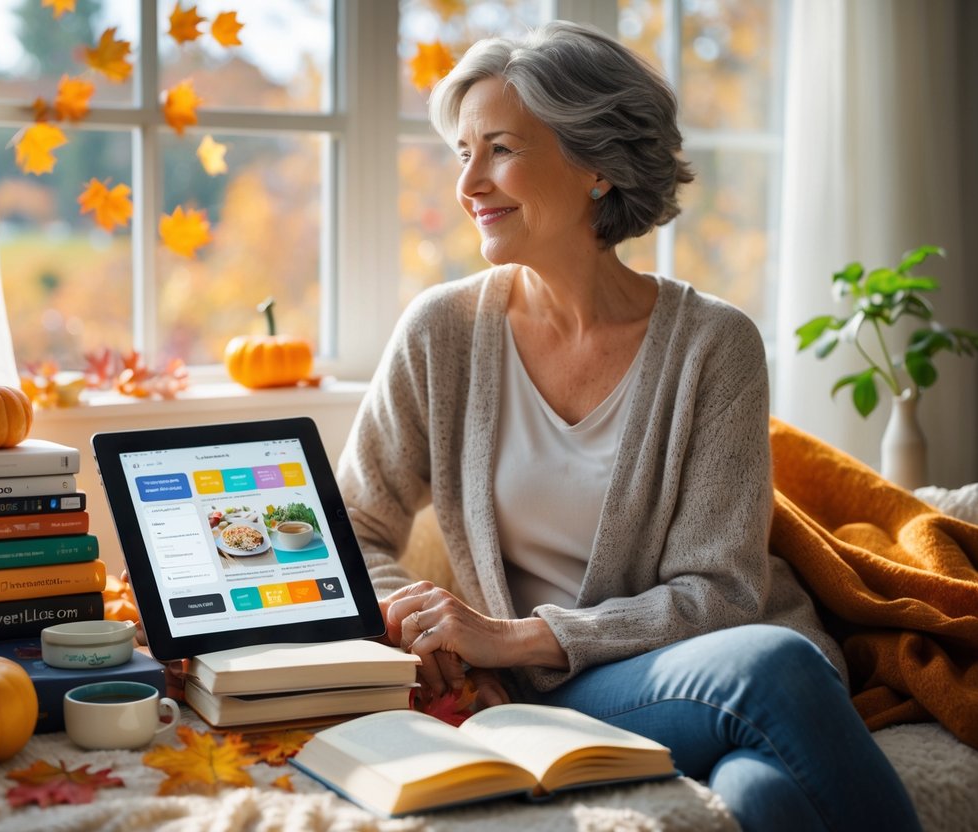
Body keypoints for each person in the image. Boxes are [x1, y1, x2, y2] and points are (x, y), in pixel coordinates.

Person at [335, 20, 921, 832]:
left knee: (768, 791)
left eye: (498, 148)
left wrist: (513, 637)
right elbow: (348, 528)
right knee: (772, 711)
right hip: (559, 698)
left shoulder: (715, 343)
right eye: (460, 151)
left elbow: (720, 592)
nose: (467, 181)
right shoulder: (440, 333)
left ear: (597, 167)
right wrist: (432, 634)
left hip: (716, 664)